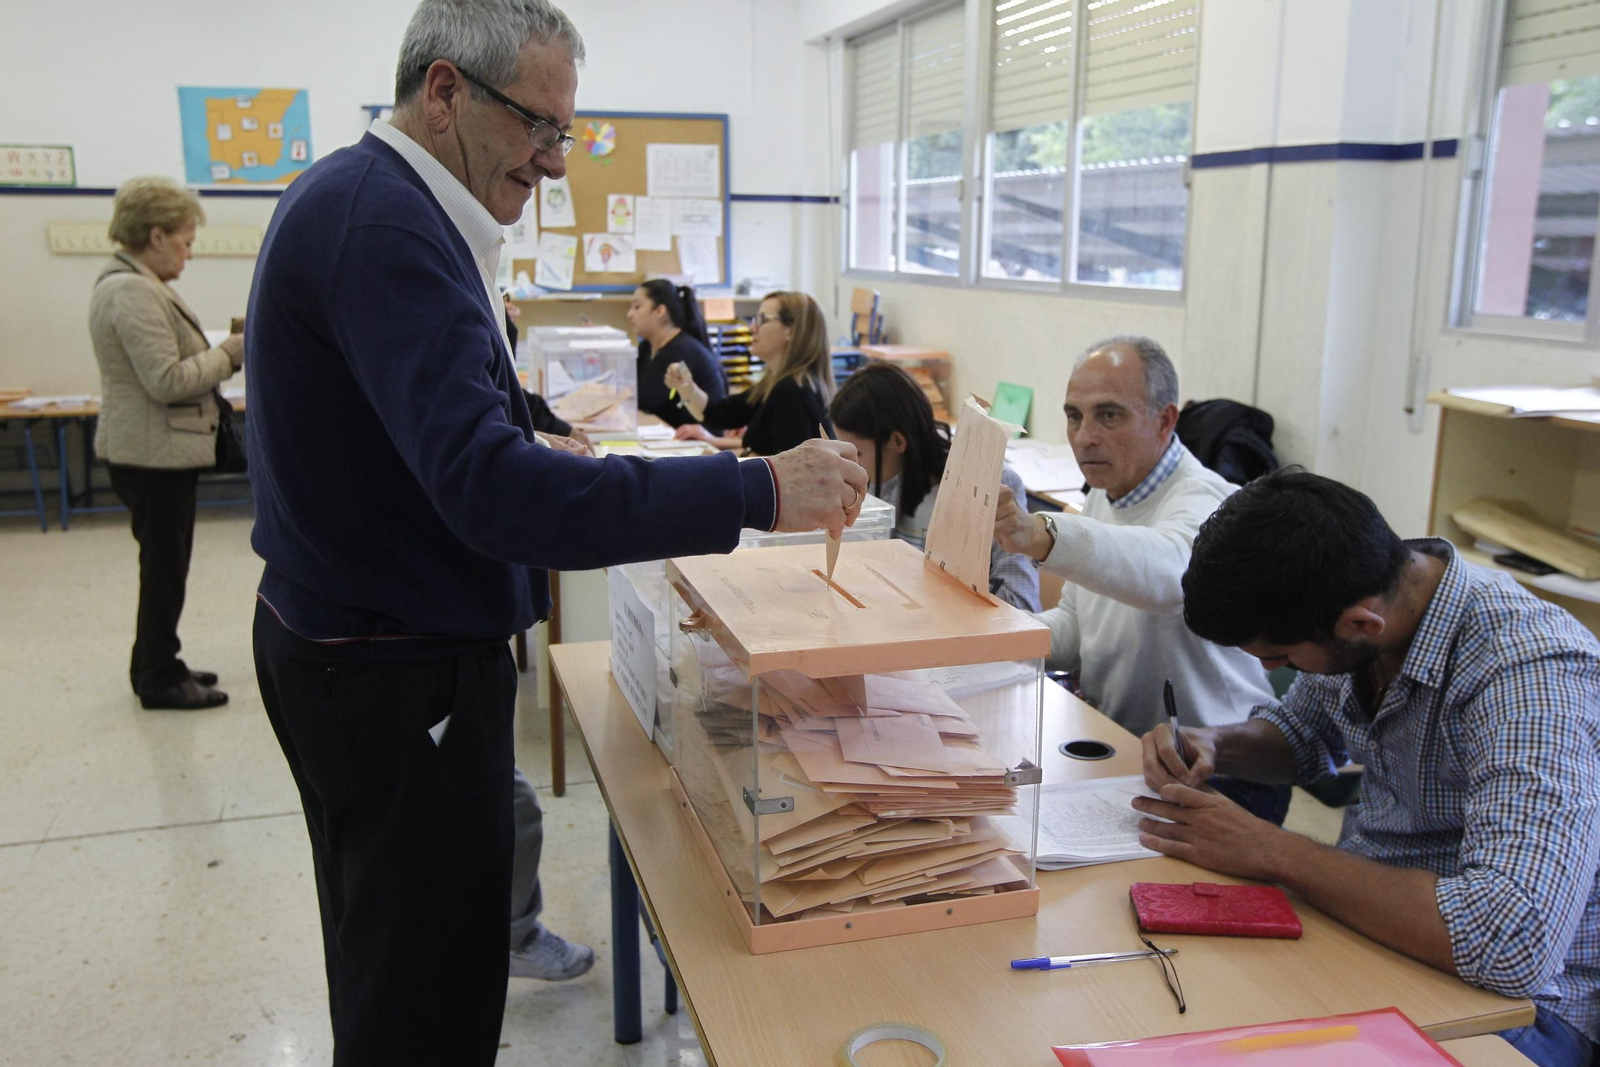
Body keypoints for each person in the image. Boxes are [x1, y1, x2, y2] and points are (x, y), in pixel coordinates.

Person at [243, 3, 867, 1063]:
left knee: (388, 951)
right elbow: (490, 494)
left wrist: (531, 426)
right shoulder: (387, 228)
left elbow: (430, 410)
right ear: (444, 92)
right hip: (396, 667)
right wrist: (756, 491)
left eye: (566, 132)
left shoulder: (383, 203)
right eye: (539, 125)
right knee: (425, 995)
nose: (553, 159)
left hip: (358, 639)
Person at [1137, 469, 1600, 1067]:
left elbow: (1508, 942)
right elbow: (1303, 737)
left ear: (1360, 625)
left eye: (1279, 658)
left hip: (1525, 1008)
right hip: (1370, 928)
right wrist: (1218, 744)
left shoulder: (1529, 676)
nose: (1278, 668)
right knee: (1179, 1009)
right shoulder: (1363, 597)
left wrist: (1274, 851)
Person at [992, 337, 1274, 732]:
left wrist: (1040, 533)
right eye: (1075, 416)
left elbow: (1171, 577)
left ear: (1164, 421)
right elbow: (1077, 631)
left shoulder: (1211, 502)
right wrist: (994, 635)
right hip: (1122, 743)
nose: (1084, 436)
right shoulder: (1106, 495)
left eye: (1108, 415)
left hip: (1222, 761)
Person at [88, 176, 243, 711]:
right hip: (152, 456)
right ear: (154, 236)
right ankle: (157, 676)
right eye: (184, 240)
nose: (189, 252)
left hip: (155, 452)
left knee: (164, 567)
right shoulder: (130, 290)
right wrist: (230, 353)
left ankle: (158, 661)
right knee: (163, 571)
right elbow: (167, 380)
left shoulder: (134, 283)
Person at [830, 361, 1040, 611]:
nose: (850, 466)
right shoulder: (885, 484)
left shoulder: (992, 488)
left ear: (897, 442)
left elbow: (1021, 606)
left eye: (858, 454)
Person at [666, 290, 835, 455]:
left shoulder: (792, 390)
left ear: (791, 330)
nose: (752, 328)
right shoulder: (775, 383)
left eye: (762, 320)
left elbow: (789, 470)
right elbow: (718, 414)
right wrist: (685, 386)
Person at [627, 279, 726, 427]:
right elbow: (628, 385)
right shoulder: (647, 346)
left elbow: (641, 398)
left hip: (697, 440)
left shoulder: (681, 350)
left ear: (659, 311)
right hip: (669, 434)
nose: (629, 314)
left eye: (637, 307)